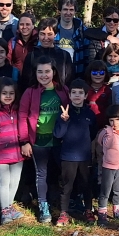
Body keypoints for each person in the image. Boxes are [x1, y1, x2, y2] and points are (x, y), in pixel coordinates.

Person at [18, 57, 70, 223]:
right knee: (41, 174)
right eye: (40, 71)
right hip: (38, 140)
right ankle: (43, 205)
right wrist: (24, 141)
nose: (44, 75)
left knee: (62, 173)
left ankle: (63, 206)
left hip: (59, 141)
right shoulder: (30, 92)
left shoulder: (63, 90)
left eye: (47, 71)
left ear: (54, 72)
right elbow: (22, 116)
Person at [0, 76, 29, 225]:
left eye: (11, 93)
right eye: (4, 93)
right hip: (0, 156)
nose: (8, 96)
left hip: (17, 155)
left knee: (15, 181)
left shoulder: (18, 112)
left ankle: (9, 206)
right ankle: (4, 211)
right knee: (4, 181)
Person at [52, 80, 98, 225]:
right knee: (67, 186)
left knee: (86, 184)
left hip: (84, 156)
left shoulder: (90, 114)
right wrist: (64, 121)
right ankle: (63, 213)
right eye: (74, 93)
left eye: (80, 93)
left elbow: (93, 133)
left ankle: (88, 210)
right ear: (69, 95)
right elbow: (58, 134)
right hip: (68, 157)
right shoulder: (64, 113)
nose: (77, 95)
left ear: (85, 96)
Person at [95, 105, 119, 224]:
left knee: (118, 190)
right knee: (105, 190)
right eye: (111, 120)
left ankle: (117, 209)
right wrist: (110, 134)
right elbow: (105, 145)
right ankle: (102, 211)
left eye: (117, 120)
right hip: (108, 166)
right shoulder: (105, 132)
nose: (114, 123)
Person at [21, 18, 75, 88]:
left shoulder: (64, 55)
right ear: (38, 34)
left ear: (55, 35)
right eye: (42, 34)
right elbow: (25, 82)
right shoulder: (31, 56)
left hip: (60, 96)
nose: (46, 38)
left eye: (49, 34)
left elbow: (70, 80)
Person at [55, 0, 91, 78]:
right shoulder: (52, 29)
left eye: (71, 10)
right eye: (65, 9)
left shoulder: (81, 30)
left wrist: (108, 36)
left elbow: (87, 56)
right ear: (59, 11)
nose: (68, 12)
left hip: (77, 74)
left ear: (75, 11)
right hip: (56, 76)